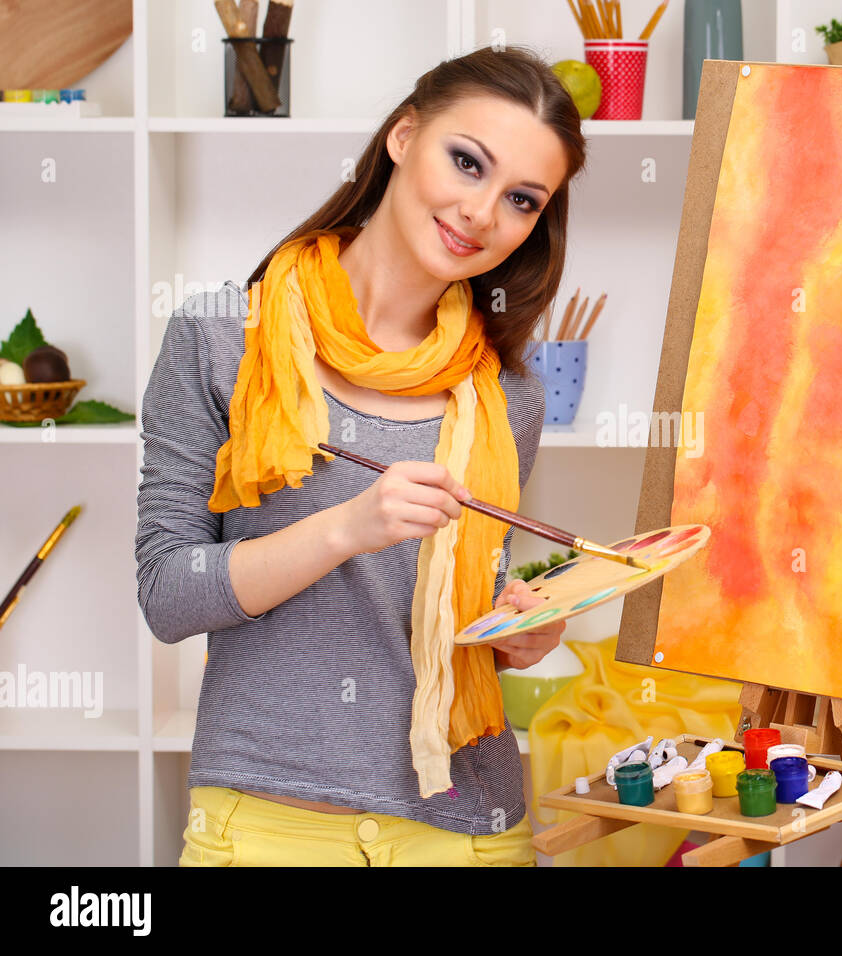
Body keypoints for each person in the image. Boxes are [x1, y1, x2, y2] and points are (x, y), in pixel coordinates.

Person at [135, 45, 587, 866]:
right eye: (467, 162)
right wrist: (345, 528)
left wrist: (519, 627)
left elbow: (466, 597)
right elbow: (168, 594)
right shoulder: (218, 341)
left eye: (522, 198)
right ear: (403, 137)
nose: (483, 212)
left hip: (467, 828)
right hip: (267, 828)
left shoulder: (504, 394)